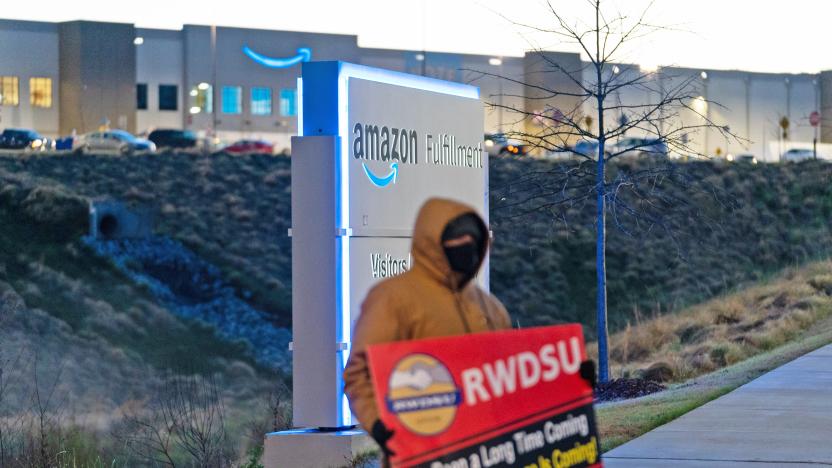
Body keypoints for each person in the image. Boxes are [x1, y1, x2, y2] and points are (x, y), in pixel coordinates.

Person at [343, 197, 597, 460]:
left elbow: (515, 378)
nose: (467, 248)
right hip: (425, 453)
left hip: (488, 453)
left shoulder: (490, 307)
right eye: (457, 241)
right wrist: (378, 424)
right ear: (432, 243)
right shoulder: (392, 298)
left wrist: (568, 380)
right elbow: (359, 374)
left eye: (473, 241)